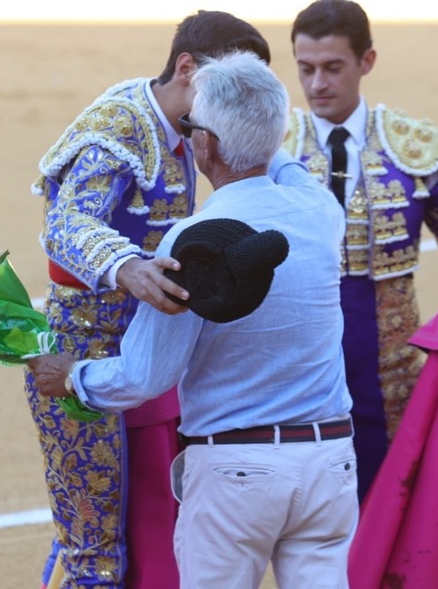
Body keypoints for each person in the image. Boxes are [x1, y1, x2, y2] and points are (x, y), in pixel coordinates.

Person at [29, 50, 358, 589]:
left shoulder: (194, 241)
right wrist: (259, 126)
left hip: (239, 473)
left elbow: (144, 377)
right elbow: (283, 164)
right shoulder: (322, 210)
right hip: (328, 463)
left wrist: (71, 376)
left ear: (204, 143)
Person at [27, 11, 271, 588]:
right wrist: (126, 267)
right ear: (187, 69)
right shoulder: (117, 129)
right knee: (98, 551)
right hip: (80, 356)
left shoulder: (192, 123)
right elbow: (64, 225)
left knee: (161, 528)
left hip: (151, 356)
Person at [283, 0, 438, 500]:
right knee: (304, 514)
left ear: (366, 62)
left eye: (333, 68)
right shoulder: (270, 146)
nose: (317, 85)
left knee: (390, 503)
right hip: (293, 369)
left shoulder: (412, 149)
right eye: (306, 69)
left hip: (390, 372)